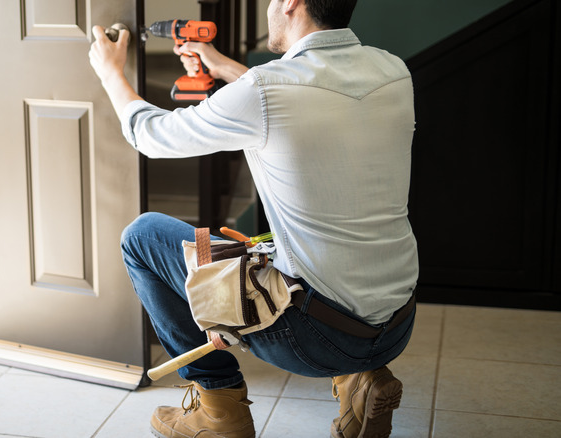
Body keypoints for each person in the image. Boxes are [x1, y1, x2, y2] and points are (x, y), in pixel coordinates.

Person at [89, 0, 418, 437]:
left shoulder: (266, 88)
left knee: (143, 236)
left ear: (290, 3)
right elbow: (301, 98)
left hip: (313, 338)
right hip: (396, 324)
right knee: (285, 250)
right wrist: (223, 67)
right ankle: (361, 377)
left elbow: (150, 135)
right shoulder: (392, 70)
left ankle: (218, 408)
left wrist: (111, 72)